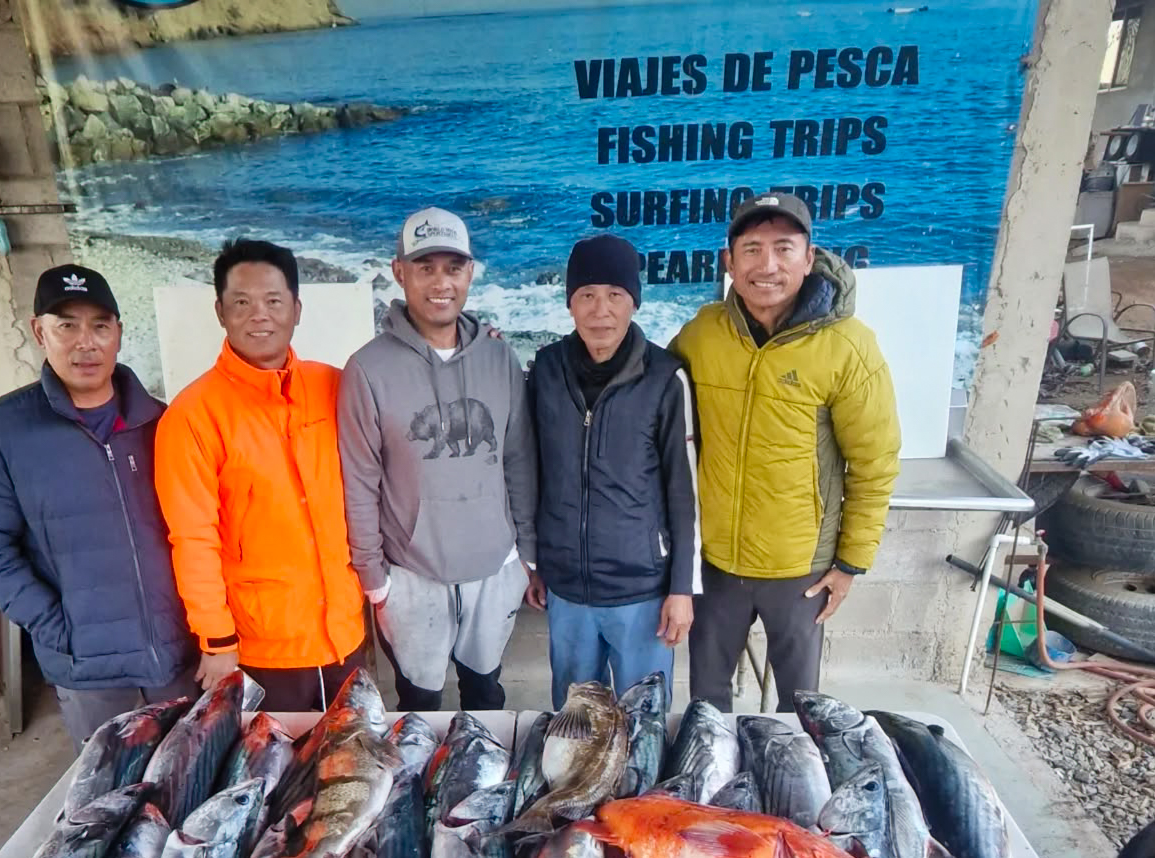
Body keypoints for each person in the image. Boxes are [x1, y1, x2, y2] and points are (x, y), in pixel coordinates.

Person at [0, 263, 197, 749]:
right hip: (90, 671)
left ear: (118, 334)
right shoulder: (1, 430)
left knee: (192, 774)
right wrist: (58, 628)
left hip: (177, 656)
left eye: (100, 326)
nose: (86, 343)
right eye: (67, 325)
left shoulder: (163, 422)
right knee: (110, 785)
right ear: (38, 332)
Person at [672, 192, 900, 710]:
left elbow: (875, 462)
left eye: (783, 248)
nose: (767, 265)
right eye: (751, 250)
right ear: (729, 262)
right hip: (716, 563)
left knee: (800, 710)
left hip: (801, 568)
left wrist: (851, 563)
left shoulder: (848, 346)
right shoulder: (703, 333)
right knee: (707, 703)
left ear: (809, 256)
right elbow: (654, 406)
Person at [338, 207, 538, 711]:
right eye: (425, 268)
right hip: (411, 573)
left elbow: (518, 458)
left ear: (470, 273)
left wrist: (526, 555)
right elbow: (359, 479)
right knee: (418, 704)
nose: (440, 283)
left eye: (453, 267)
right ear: (399, 272)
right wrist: (373, 576)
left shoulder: (499, 356)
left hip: (494, 567)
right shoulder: (367, 369)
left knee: (485, 695)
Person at [154, 237, 365, 711]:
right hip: (264, 647)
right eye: (242, 303)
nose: (259, 316)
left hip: (346, 631)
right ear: (220, 312)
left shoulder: (335, 386)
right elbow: (193, 538)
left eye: (273, 301)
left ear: (297, 309)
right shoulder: (192, 416)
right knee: (277, 756)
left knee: (350, 749)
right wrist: (216, 639)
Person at [529, 234, 697, 708]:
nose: (600, 310)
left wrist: (681, 588)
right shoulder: (545, 370)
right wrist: (536, 563)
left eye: (615, 295)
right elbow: (533, 470)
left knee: (642, 721)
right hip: (567, 590)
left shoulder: (666, 377)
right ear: (570, 303)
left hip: (640, 590)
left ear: (634, 302)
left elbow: (683, 490)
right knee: (575, 721)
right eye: (586, 295)